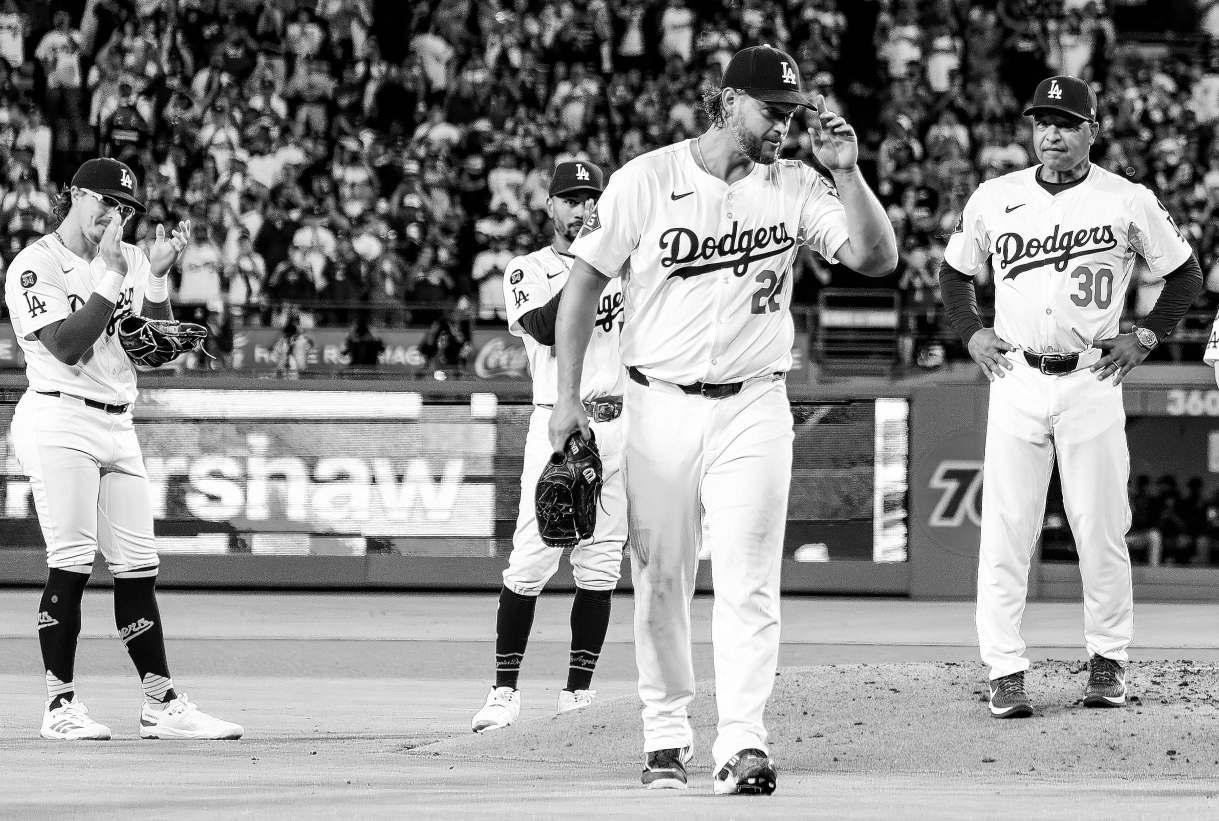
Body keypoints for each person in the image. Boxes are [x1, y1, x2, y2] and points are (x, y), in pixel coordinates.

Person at [548, 46, 897, 794]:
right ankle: (665, 736)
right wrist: (566, 399)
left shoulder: (798, 183)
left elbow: (875, 258)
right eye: (772, 110)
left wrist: (847, 170)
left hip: (754, 405)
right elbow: (580, 289)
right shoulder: (648, 178)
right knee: (663, 579)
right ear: (728, 100)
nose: (783, 125)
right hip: (659, 403)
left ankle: (742, 743)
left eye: (791, 113)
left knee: (747, 578)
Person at [938, 75, 1202, 719]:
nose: (1050, 132)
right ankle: (1003, 668)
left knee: (1101, 527)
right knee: (1005, 530)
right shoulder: (995, 197)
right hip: (1016, 377)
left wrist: (1145, 335)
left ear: (1092, 129)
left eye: (1064, 121)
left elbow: (1185, 274)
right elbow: (952, 272)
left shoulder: (1127, 199)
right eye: (1041, 121)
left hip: (1091, 378)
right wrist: (970, 332)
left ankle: (1108, 660)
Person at [2, 157, 244, 740]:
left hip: (117, 420)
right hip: (58, 416)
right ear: (76, 195)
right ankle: (59, 706)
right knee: (73, 561)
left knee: (139, 565)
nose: (116, 215)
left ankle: (160, 701)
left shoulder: (132, 258)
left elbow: (154, 351)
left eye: (126, 209)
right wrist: (113, 276)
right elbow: (64, 346)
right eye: (106, 202)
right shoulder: (36, 264)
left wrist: (156, 280)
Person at [470, 160, 628, 733]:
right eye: (572, 199)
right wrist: (594, 267)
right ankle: (504, 692)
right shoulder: (527, 268)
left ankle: (577, 696)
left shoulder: (626, 266)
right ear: (551, 207)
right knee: (532, 559)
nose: (583, 208)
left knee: (601, 564)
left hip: (619, 424)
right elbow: (540, 327)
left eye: (592, 198)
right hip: (557, 424)